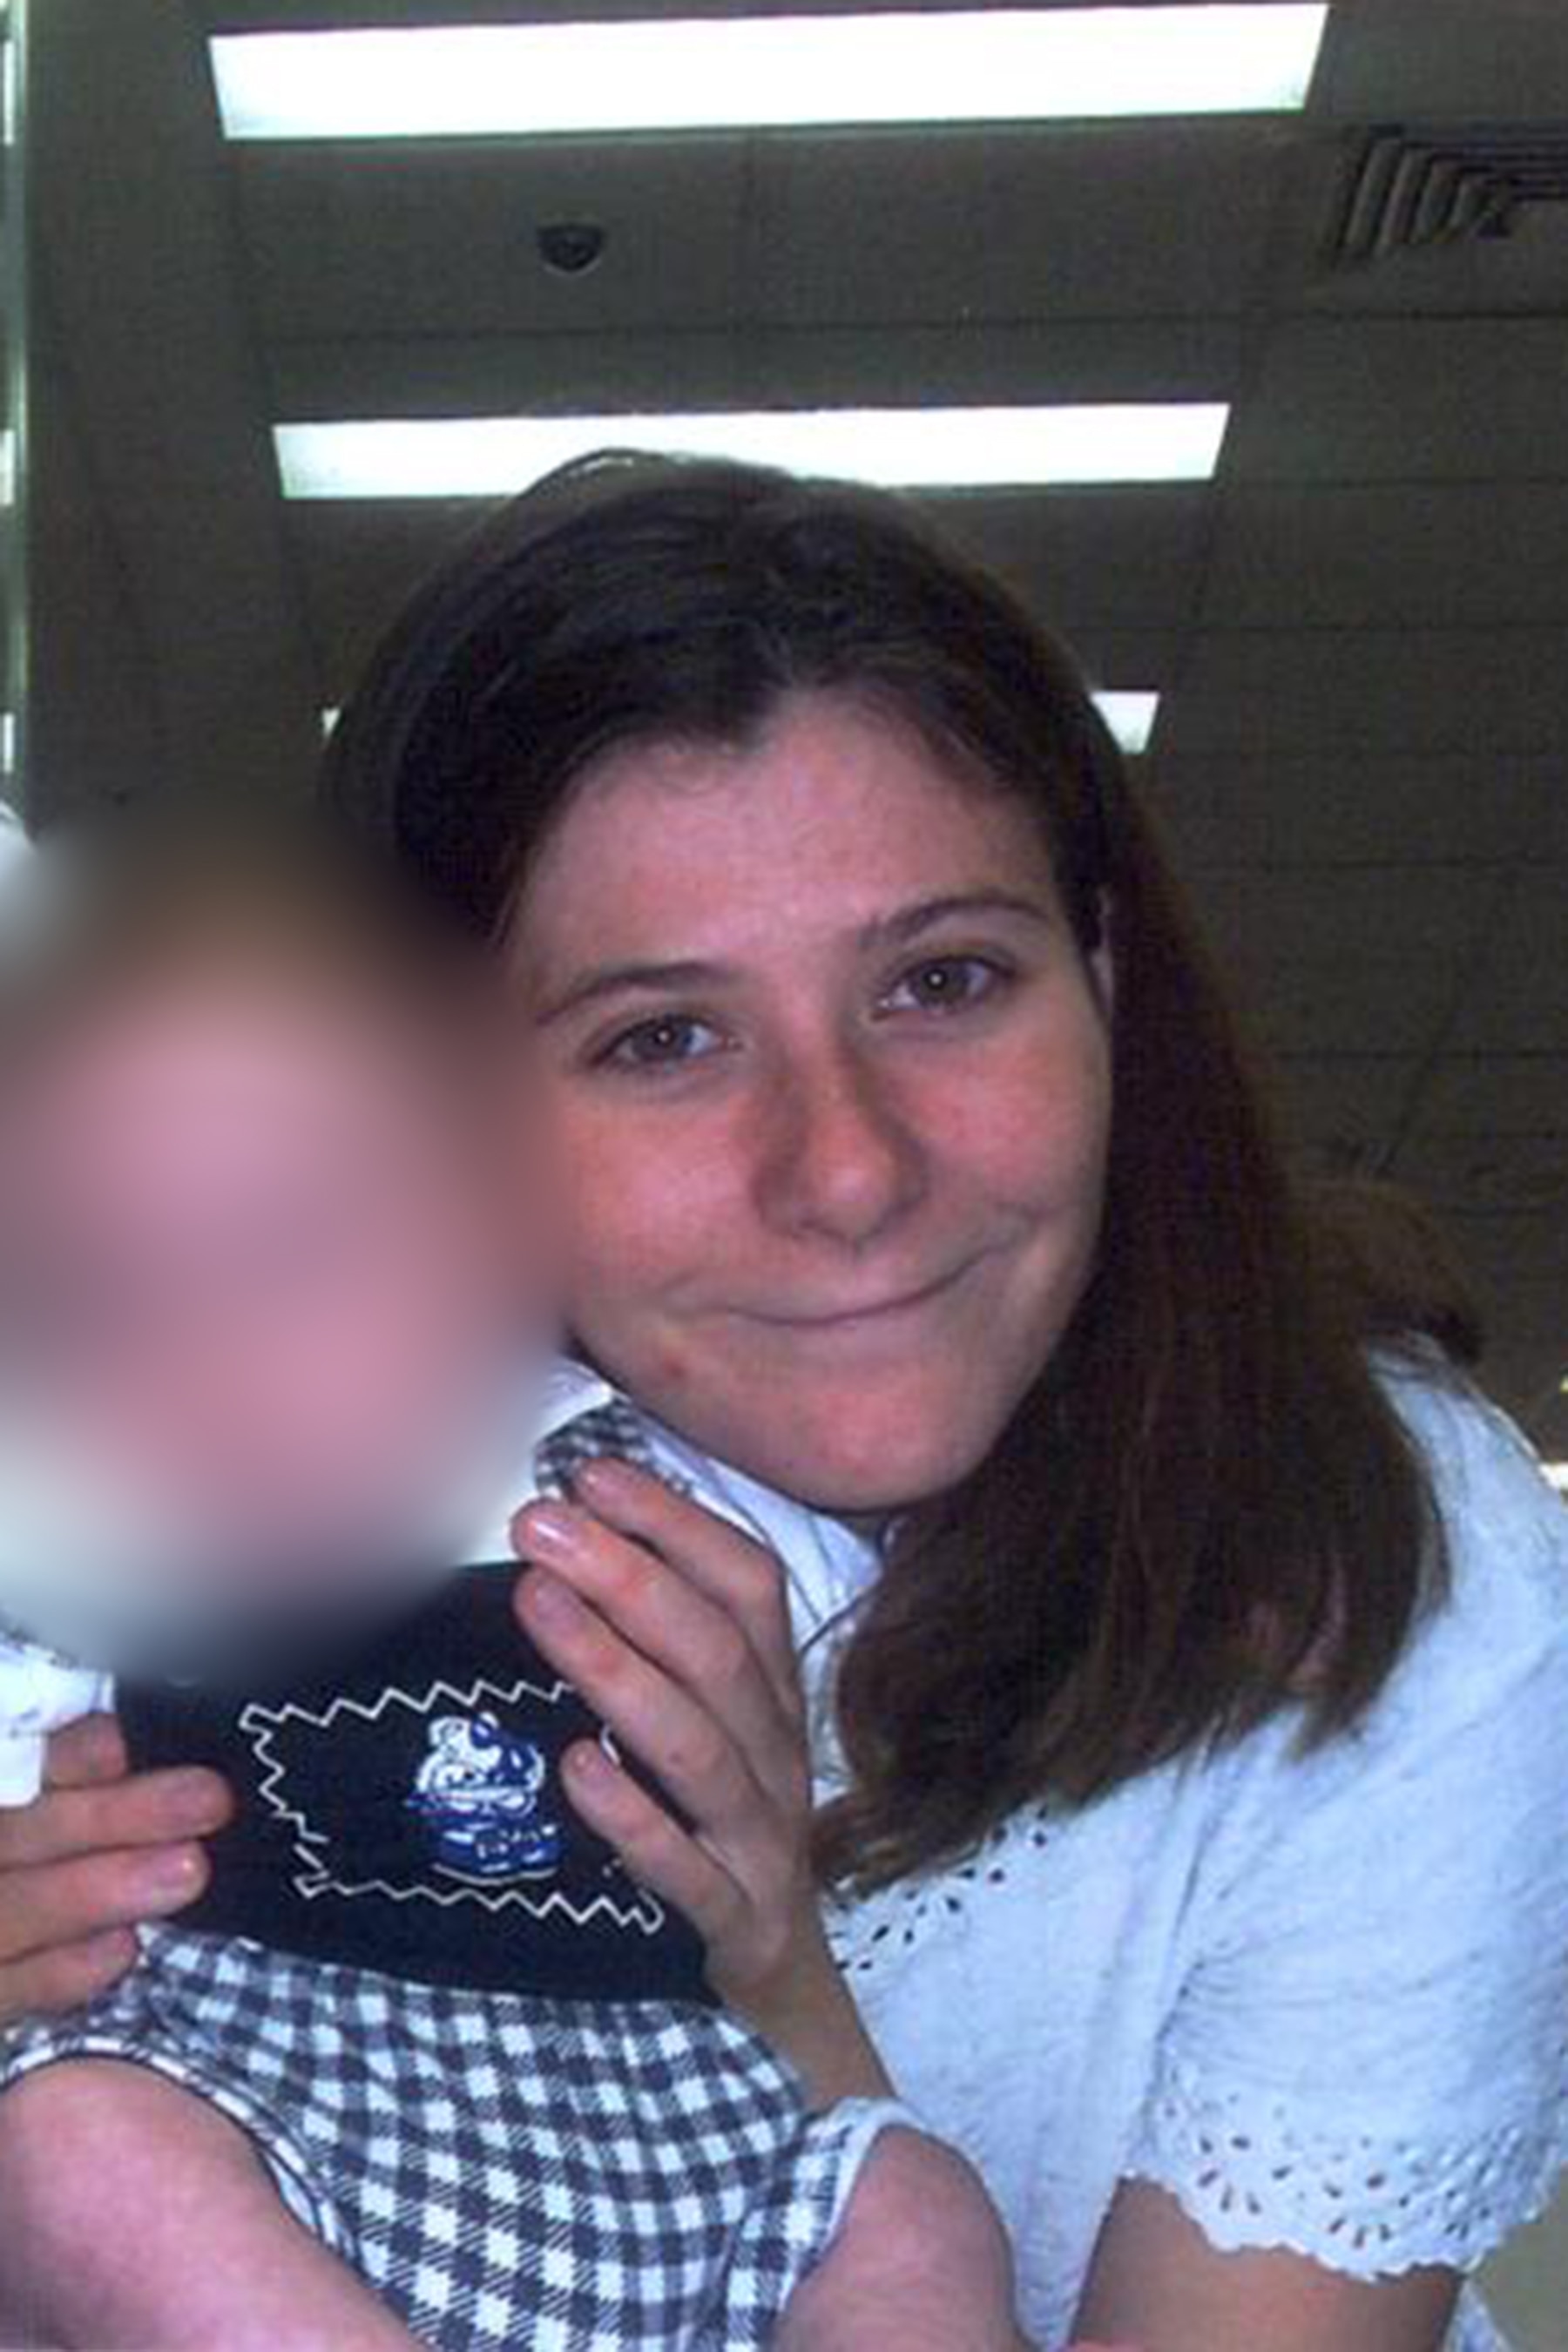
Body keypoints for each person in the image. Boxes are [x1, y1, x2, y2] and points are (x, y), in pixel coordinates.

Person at [4, 452, 1566, 2352]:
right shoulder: (217, 1490)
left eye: (945, 981)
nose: (846, 1170)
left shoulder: (1387, 1560)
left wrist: (786, 2001)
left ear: (1103, 980)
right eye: (662, 1038)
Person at [0, 812, 1024, 2352]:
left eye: (290, 1250)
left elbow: (881, 1664)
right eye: (87, 1299)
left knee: (915, 2205)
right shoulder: (62, 1546)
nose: (202, 1370)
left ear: (507, 1242)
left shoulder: (638, 1488)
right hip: (255, 2147)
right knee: (74, 2159)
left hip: (672, 2152)